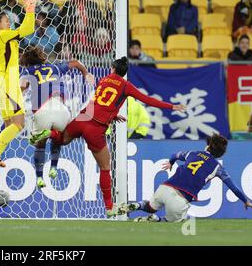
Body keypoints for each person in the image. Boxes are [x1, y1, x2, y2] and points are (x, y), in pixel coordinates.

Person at [30, 57, 186, 217]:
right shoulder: (126, 85)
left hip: (82, 118)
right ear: (124, 73)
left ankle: (49, 133)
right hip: (96, 128)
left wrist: (113, 114)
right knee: (105, 168)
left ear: (112, 68)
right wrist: (171, 106)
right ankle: (109, 206)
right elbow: (147, 100)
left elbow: (102, 102)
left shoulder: (104, 80)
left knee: (61, 140)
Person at [115, 134, 252, 222]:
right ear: (220, 153)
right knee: (173, 221)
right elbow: (233, 188)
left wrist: (171, 163)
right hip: (180, 199)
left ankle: (136, 205)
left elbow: (175, 155)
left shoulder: (192, 153)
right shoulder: (218, 168)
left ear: (208, 145)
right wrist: (245, 201)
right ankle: (155, 220)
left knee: (150, 206)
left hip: (165, 188)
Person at [20, 46, 95, 188]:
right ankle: (54, 167)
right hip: (61, 110)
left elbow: (21, 89)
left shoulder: (28, 72)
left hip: (42, 111)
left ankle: (40, 177)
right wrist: (86, 74)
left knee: (39, 145)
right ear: (41, 57)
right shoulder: (55, 67)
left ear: (26, 62)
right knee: (60, 138)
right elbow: (76, 63)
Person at [0, 0, 40, 180]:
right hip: (7, 83)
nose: (8, 22)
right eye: (5, 20)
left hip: (1, 83)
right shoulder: (1, 35)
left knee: (10, 125)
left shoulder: (1, 37)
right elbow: (27, 30)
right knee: (19, 124)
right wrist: (30, 8)